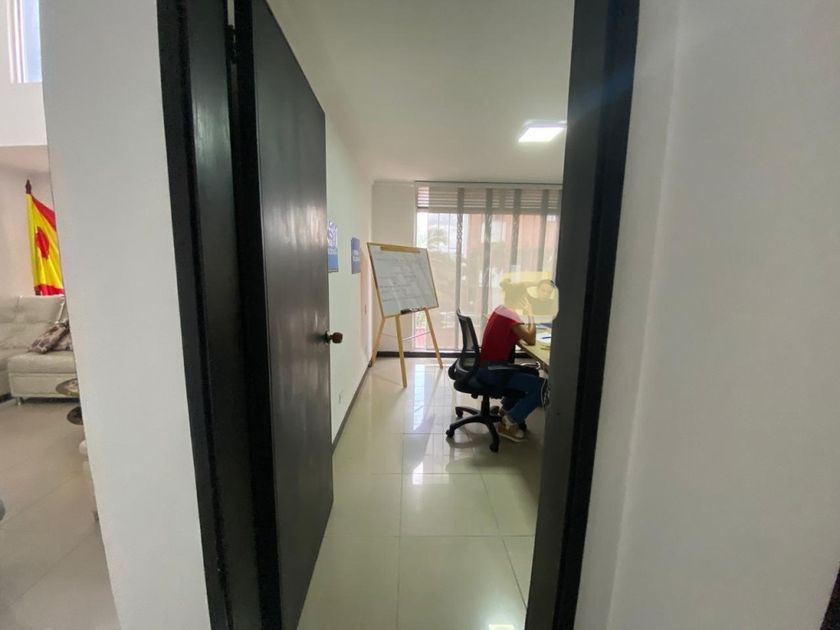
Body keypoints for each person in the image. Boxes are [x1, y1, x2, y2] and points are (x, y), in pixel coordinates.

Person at [478, 303, 546, 442]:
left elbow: (519, 334)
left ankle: (507, 408)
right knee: (543, 387)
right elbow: (530, 339)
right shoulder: (510, 315)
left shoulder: (502, 309)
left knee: (532, 373)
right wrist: (531, 315)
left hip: (487, 367)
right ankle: (508, 422)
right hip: (494, 371)